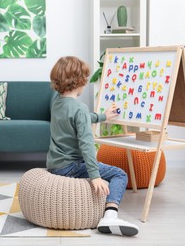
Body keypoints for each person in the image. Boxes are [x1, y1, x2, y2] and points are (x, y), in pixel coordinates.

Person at [47, 56, 139, 236]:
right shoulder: (79, 108)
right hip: (72, 166)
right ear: (79, 81)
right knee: (120, 174)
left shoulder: (57, 102)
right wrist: (95, 176)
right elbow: (87, 145)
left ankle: (109, 214)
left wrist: (103, 116)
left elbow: (78, 118)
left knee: (112, 172)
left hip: (55, 165)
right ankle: (110, 215)